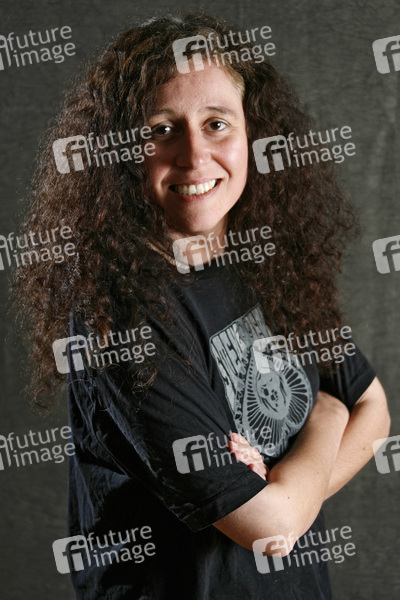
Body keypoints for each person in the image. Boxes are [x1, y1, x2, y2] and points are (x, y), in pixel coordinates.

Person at [12, 12, 390, 600]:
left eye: (217, 123)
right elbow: (271, 526)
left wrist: (289, 482)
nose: (193, 154)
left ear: (252, 132)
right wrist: (326, 417)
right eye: (162, 129)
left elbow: (374, 410)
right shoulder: (120, 315)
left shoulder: (267, 259)